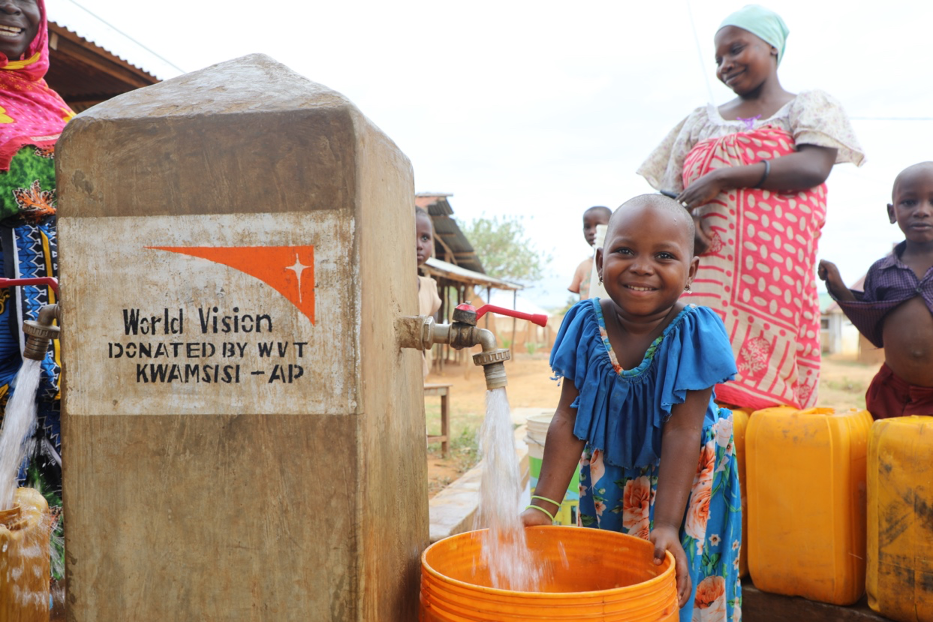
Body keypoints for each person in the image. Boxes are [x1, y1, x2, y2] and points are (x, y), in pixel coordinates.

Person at [522, 195, 742, 621]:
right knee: (611, 579)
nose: (642, 266)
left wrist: (666, 524)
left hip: (686, 478)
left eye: (664, 255)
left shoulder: (693, 331)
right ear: (601, 261)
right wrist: (542, 507)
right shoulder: (587, 324)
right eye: (625, 251)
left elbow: (683, 432)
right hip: (611, 476)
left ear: (691, 272)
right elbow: (568, 419)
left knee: (677, 574)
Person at [637, 4, 864, 411]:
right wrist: (687, 225)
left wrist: (725, 176)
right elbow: (669, 196)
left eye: (736, 49)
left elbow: (813, 166)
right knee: (692, 403)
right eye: (718, 58)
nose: (726, 65)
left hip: (775, 289)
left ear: (772, 48)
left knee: (765, 424)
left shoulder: (807, 106)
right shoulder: (699, 121)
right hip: (702, 279)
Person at [0, 0, 72, 580]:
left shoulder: (59, 112)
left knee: (58, 469)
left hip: (59, 318)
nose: (10, 6)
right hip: (2, 316)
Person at [819, 162, 933, 419]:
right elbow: (871, 326)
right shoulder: (881, 271)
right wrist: (837, 286)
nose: (922, 211)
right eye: (909, 202)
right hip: (892, 394)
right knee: (886, 454)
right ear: (892, 212)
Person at [416, 207, 441, 377]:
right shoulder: (382, 283)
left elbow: (433, 334)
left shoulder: (429, 287)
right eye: (410, 236)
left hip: (418, 377)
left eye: (425, 238)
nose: (419, 245)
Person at [568, 205, 611, 300]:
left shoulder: (617, 265)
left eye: (598, 226)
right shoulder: (583, 266)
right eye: (587, 227)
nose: (592, 232)